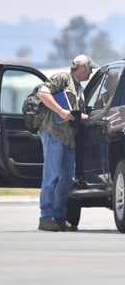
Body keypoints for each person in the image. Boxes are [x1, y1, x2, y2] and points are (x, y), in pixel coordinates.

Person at [36, 55, 98, 232]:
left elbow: (77, 114)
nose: (91, 71)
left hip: (69, 138)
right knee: (52, 177)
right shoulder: (62, 78)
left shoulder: (79, 89)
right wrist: (61, 111)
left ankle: (59, 218)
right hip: (54, 134)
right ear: (82, 67)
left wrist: (93, 117)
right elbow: (42, 93)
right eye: (90, 68)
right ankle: (46, 217)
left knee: (67, 179)